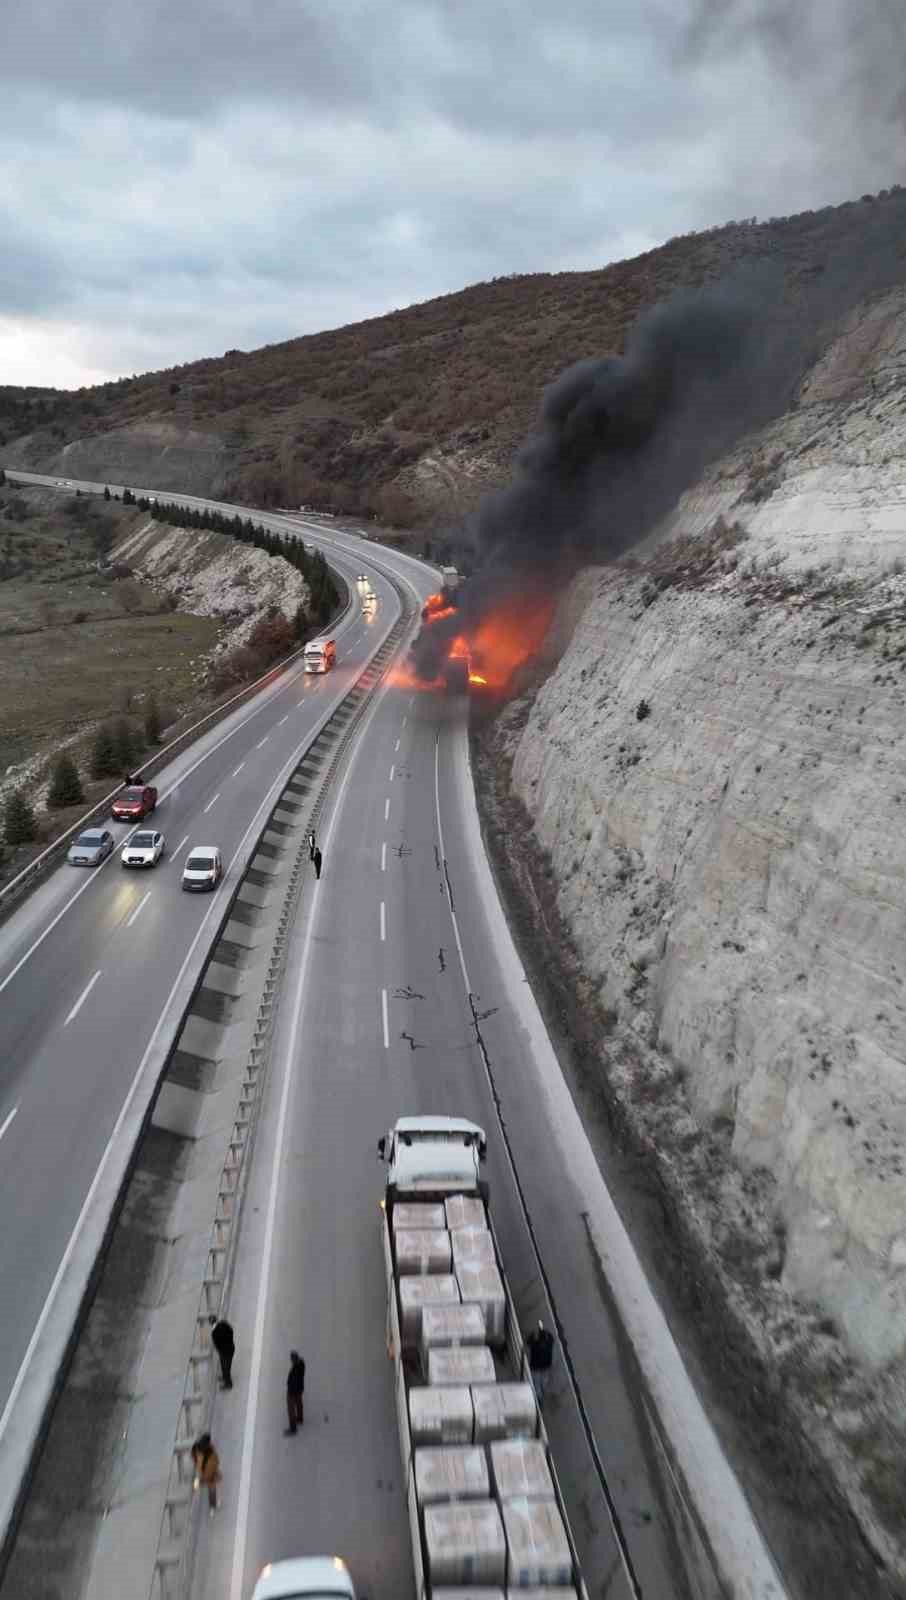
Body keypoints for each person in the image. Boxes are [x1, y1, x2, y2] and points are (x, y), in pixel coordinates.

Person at [191, 1432, 222, 1515]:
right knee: (211, 1489)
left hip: (206, 1472)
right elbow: (215, 1460)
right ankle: (212, 1506)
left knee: (211, 1488)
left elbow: (194, 1457)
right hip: (208, 1473)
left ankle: (213, 1505)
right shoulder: (209, 1450)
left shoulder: (196, 1447)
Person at [526, 1319, 555, 1403]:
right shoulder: (549, 1342)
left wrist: (532, 1335)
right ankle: (541, 1393)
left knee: (536, 1383)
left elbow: (529, 1342)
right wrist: (543, 1332)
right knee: (544, 1382)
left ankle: (538, 1399)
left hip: (536, 1367)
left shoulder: (535, 1345)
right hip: (546, 1365)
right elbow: (551, 1338)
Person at [209, 1314, 235, 1389]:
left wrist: (220, 1351)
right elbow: (231, 1330)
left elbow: (217, 1345)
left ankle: (228, 1384)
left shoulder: (214, 1333)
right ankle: (224, 1377)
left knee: (225, 1366)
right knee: (226, 1365)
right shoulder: (223, 1323)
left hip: (224, 1352)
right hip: (231, 1347)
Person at [285, 1350, 305, 1434]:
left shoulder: (295, 1369)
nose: (291, 1360)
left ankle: (293, 1428)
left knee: (291, 1409)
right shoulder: (302, 1364)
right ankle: (300, 1418)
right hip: (299, 1389)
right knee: (299, 1403)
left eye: (292, 1359)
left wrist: (290, 1389)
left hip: (293, 1391)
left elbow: (293, 1381)